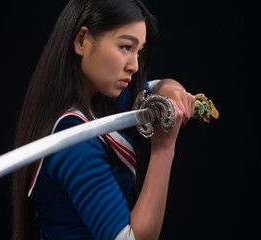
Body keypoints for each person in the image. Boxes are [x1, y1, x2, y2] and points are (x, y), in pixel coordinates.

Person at [12, 0, 195, 239]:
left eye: (139, 51)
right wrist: (163, 148)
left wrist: (171, 92)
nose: (134, 66)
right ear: (81, 41)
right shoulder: (73, 141)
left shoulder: (106, 98)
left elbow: (158, 85)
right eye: (126, 47)